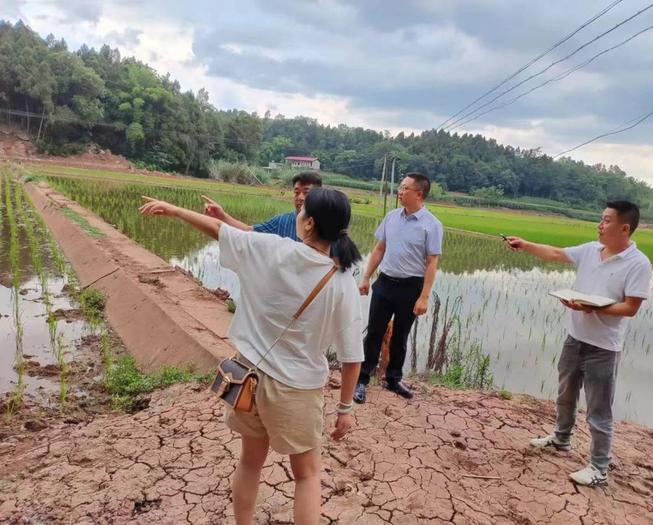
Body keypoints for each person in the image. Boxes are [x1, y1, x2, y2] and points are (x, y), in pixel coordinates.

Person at [139, 187, 364, 524]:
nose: (298, 214)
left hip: (249, 380)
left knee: (249, 462)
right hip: (297, 390)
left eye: (302, 211)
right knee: (306, 475)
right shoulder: (342, 280)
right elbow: (352, 356)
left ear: (309, 224)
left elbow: (219, 231)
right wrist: (345, 408)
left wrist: (175, 210)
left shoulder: (272, 249)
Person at [505, 200, 652, 487]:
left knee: (599, 409)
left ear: (625, 228)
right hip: (575, 339)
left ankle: (599, 467)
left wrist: (593, 308)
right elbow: (556, 253)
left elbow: (631, 307)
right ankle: (561, 438)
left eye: (606, 220)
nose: (600, 225)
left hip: (604, 348)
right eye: (601, 219)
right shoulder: (590, 251)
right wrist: (524, 244)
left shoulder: (638, 263)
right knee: (565, 395)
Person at [353, 172, 443, 403]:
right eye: (400, 188)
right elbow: (379, 249)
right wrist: (366, 277)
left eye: (404, 188)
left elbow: (432, 262)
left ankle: (393, 378)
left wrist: (423, 296)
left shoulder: (431, 225)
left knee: (400, 336)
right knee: (374, 331)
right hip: (385, 282)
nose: (399, 192)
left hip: (410, 287)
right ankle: (362, 378)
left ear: (419, 194)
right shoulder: (392, 217)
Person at [202, 171, 322, 240]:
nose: (300, 197)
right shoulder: (281, 222)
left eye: (306, 193)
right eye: (296, 192)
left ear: (319, 195)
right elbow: (249, 231)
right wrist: (222, 216)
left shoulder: (329, 226)